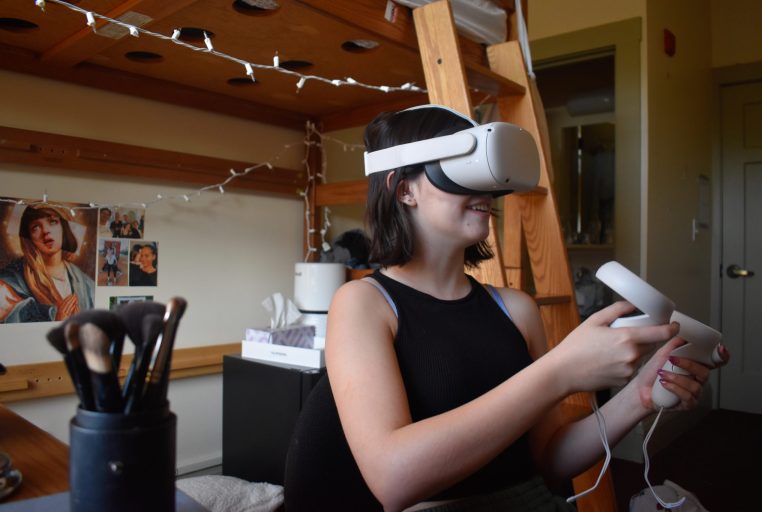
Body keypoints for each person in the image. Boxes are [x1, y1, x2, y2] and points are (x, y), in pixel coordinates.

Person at [283, 105, 729, 512]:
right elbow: (393, 479)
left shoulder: (516, 308)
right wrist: (560, 370)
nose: (486, 191)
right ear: (404, 190)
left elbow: (550, 460)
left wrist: (640, 397)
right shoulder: (362, 303)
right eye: (462, 171)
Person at [0, 205, 95, 323]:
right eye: (36, 227)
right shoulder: (10, 282)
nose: (45, 231)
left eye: (53, 222)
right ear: (29, 237)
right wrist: (55, 320)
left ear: (64, 228)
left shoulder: (86, 283)